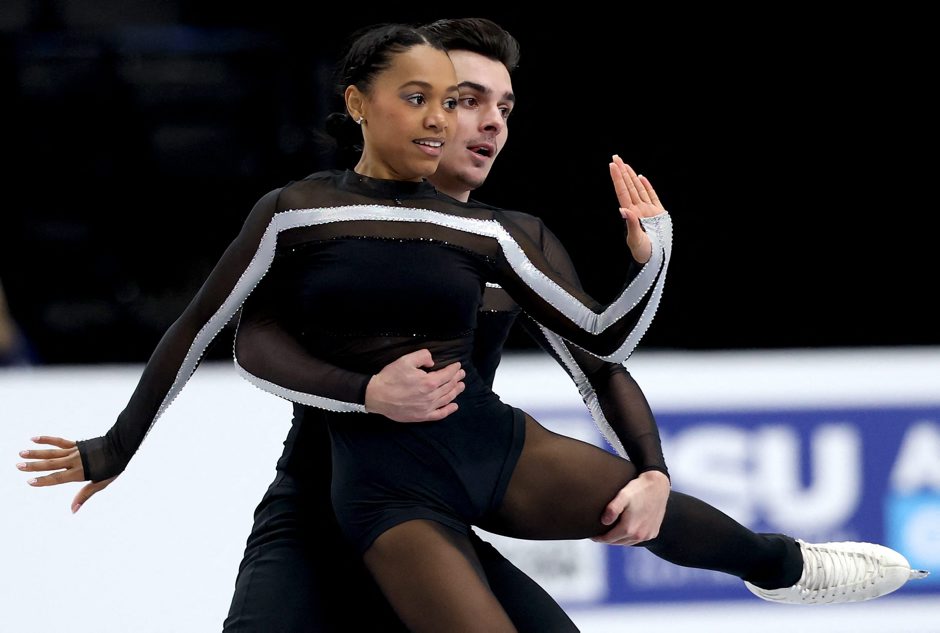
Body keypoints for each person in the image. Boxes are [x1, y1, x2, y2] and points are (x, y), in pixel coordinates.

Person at [17, 20, 925, 633]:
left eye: (502, 107)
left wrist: (651, 467)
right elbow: (248, 339)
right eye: (460, 99)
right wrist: (122, 444)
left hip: (471, 462)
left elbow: (600, 358)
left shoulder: (509, 236)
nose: (487, 122)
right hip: (336, 489)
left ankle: (777, 563)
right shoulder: (312, 212)